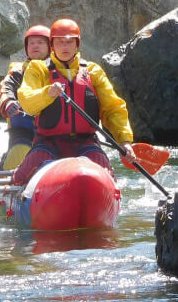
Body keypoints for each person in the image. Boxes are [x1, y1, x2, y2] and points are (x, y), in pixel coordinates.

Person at [12, 18, 135, 185]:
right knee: (22, 176)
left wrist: (125, 141)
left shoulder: (93, 72)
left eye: (69, 42)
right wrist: (47, 93)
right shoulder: (38, 69)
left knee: (106, 174)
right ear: (52, 45)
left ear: (77, 45)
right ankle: (16, 184)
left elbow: (113, 108)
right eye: (60, 42)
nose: (65, 46)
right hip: (48, 142)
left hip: (86, 142)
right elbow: (26, 100)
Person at [0, 25, 51, 171]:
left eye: (40, 43)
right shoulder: (18, 70)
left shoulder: (58, 70)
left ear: (50, 46)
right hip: (24, 131)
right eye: (31, 43)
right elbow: (6, 86)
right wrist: (8, 102)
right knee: (19, 151)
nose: (35, 46)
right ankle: (10, 174)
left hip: (54, 132)